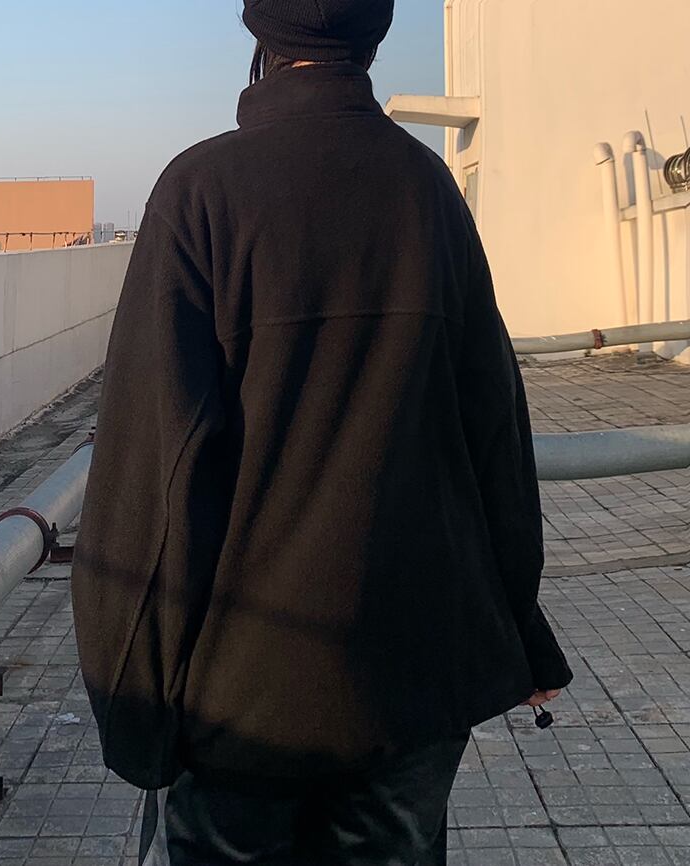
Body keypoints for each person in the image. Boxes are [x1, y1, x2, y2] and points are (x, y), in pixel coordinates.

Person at [71, 1, 573, 863]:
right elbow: (497, 434)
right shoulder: (428, 191)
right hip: (413, 685)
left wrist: (136, 702)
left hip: (242, 698)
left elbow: (154, 478)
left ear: (261, 35)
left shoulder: (201, 192)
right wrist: (521, 629)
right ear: (375, 34)